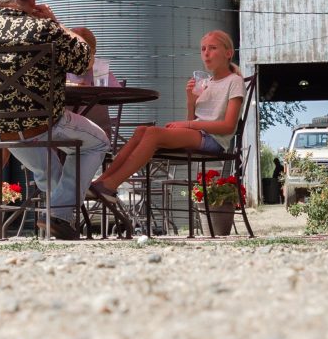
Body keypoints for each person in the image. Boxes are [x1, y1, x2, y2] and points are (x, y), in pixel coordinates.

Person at [0, 0, 108, 237]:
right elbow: (84, 60)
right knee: (97, 142)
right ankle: (59, 214)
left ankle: (58, 219)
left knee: (46, 167)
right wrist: (55, 22)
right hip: (39, 123)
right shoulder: (46, 29)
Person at [90, 29, 245, 217]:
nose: (206, 53)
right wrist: (190, 100)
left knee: (153, 134)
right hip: (200, 135)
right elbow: (193, 120)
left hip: (215, 140)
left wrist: (188, 125)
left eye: (212, 48)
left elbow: (228, 127)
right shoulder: (207, 83)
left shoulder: (235, 81)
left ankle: (110, 186)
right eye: (203, 49)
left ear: (228, 53)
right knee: (141, 130)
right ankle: (102, 182)